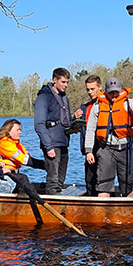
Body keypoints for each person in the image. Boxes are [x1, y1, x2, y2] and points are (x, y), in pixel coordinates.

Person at [84, 77, 133, 197]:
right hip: (106, 150)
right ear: (106, 91)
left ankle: (128, 212)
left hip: (125, 149)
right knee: (103, 186)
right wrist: (89, 151)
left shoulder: (128, 103)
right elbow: (90, 130)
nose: (114, 94)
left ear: (120, 90)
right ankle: (103, 214)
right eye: (111, 92)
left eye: (116, 91)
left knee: (127, 186)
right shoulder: (98, 106)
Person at [34, 67, 82, 195]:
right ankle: (52, 206)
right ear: (55, 80)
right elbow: (39, 125)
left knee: (61, 179)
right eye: (63, 82)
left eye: (67, 82)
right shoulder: (44, 97)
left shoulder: (63, 98)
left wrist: (74, 122)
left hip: (63, 142)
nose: (66, 85)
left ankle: (60, 204)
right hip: (52, 143)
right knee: (53, 181)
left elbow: (63, 121)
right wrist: (48, 147)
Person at [79, 75, 103, 196]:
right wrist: (75, 118)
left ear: (100, 87)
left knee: (102, 180)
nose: (89, 92)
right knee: (89, 180)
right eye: (88, 89)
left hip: (103, 148)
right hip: (89, 149)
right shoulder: (84, 108)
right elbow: (78, 129)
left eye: (92, 89)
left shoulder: (106, 105)